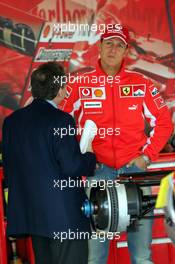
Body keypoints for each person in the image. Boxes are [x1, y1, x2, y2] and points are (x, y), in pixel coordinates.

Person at [61, 25, 173, 264]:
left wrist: (146, 157)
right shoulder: (79, 84)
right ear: (99, 46)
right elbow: (60, 124)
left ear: (126, 51)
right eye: (109, 43)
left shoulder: (141, 84)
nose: (113, 49)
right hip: (97, 174)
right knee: (95, 256)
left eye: (119, 45)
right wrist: (80, 159)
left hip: (135, 173)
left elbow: (164, 123)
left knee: (142, 255)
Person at [2, 62, 96, 264]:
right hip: (64, 217)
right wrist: (89, 156)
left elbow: (9, 170)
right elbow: (72, 166)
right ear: (60, 89)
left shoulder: (11, 122)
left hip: (34, 217)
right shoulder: (62, 120)